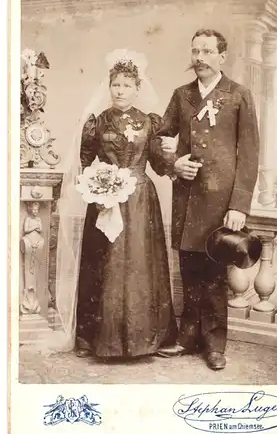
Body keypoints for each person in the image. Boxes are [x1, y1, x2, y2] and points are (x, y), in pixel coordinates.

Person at [152, 29, 260, 370]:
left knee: (214, 275)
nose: (199, 57)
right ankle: (186, 337)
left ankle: (214, 344)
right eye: (195, 50)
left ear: (221, 56)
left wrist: (239, 205)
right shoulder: (181, 95)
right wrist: (172, 164)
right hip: (186, 198)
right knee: (189, 271)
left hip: (221, 200)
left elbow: (250, 154)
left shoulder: (239, 95)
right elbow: (157, 139)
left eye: (207, 51)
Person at [70, 54, 178, 359]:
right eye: (115, 84)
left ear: (137, 87)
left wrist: (177, 163)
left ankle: (145, 339)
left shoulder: (149, 122)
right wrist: (95, 183)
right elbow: (83, 159)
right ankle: (93, 339)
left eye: (126, 85)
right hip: (104, 200)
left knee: (140, 264)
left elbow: (159, 164)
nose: (119, 90)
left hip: (141, 201)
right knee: (101, 264)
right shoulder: (98, 121)